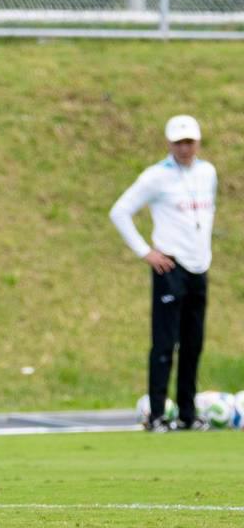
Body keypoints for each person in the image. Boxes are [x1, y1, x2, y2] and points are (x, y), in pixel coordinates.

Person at [110, 114, 216, 433]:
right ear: (169, 144)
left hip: (199, 266)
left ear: (198, 142)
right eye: (179, 142)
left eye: (190, 142)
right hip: (170, 265)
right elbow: (120, 211)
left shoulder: (208, 173)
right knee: (164, 343)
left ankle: (188, 412)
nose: (185, 148)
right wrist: (146, 252)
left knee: (193, 344)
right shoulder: (156, 176)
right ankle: (157, 413)